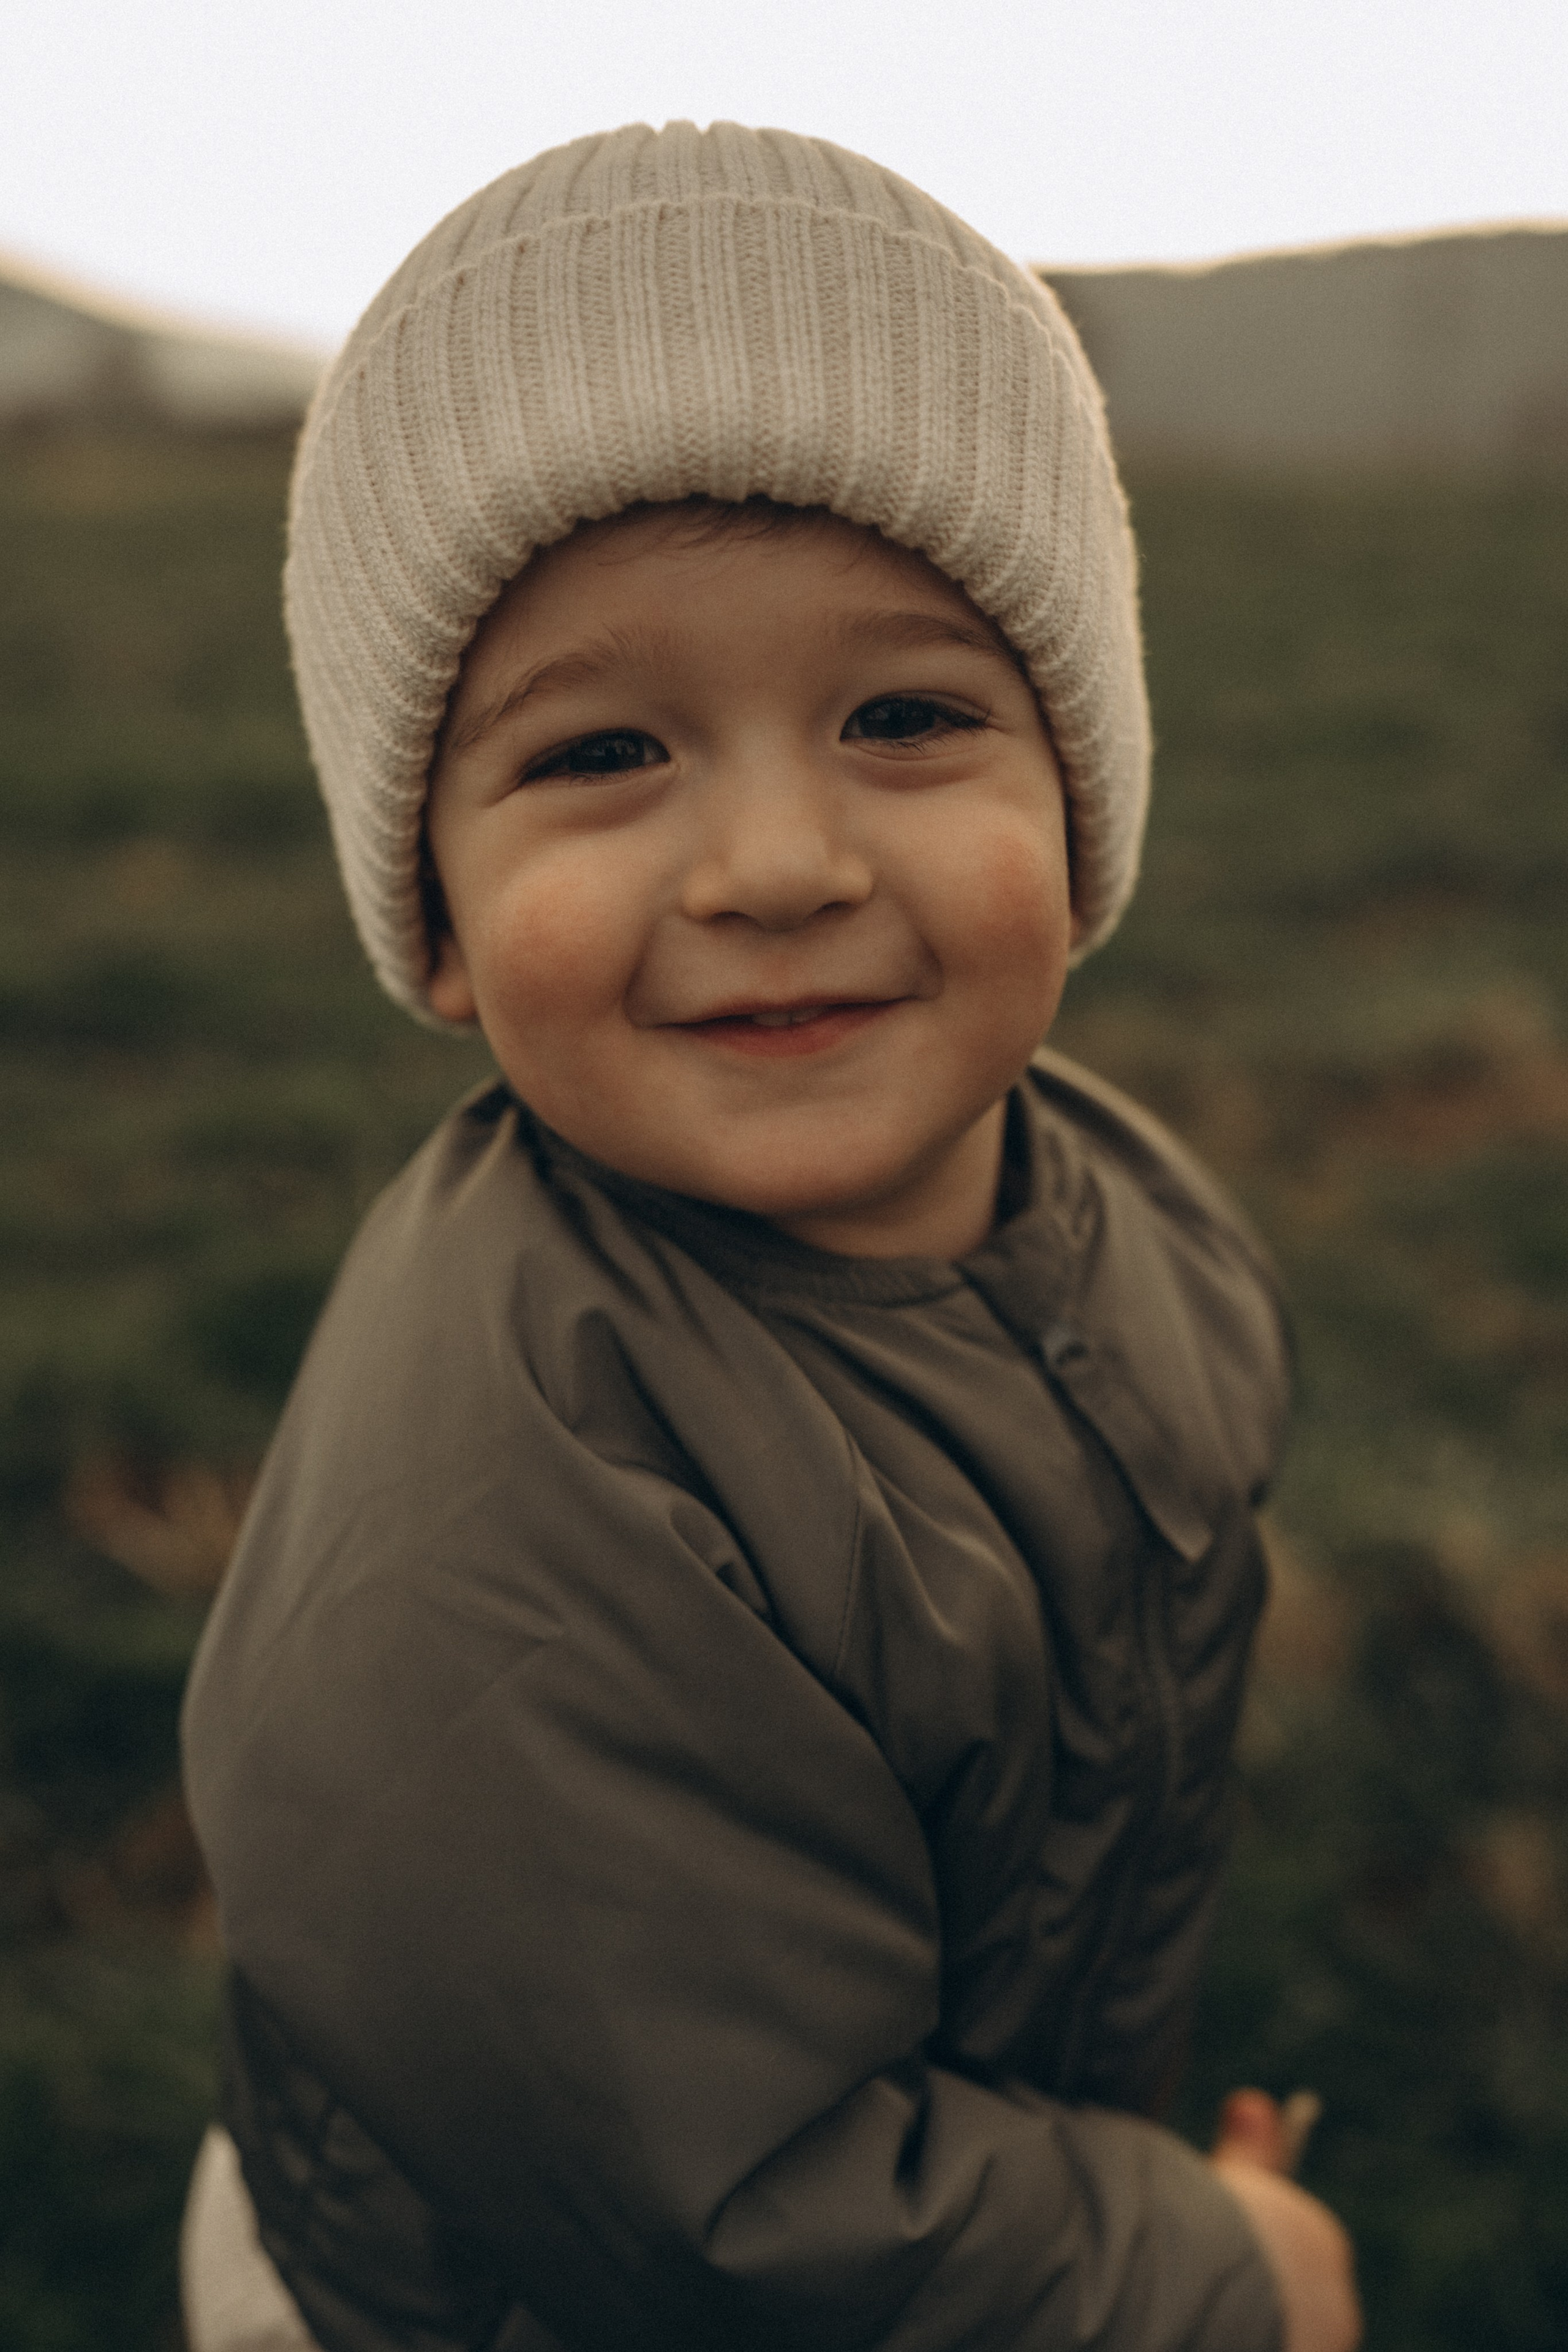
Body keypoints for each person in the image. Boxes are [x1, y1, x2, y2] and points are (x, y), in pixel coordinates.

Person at [180, 120, 1361, 2352]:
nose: (779, 860)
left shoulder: (1134, 1225)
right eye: (606, 750)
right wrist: (1200, 2271)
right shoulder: (509, 1522)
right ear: (436, 916)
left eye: (906, 716)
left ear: (1079, 797)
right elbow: (717, 2211)